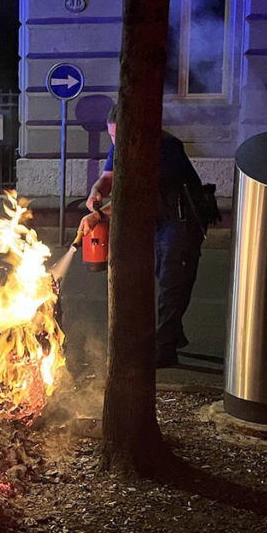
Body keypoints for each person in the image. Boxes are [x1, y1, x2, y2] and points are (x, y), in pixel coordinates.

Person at [78, 106, 205, 368]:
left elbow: (136, 194)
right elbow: (108, 178)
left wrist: (99, 216)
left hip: (181, 216)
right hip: (156, 216)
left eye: (118, 137)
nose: (115, 143)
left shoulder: (164, 147)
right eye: (111, 137)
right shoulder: (120, 144)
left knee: (173, 278)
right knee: (156, 273)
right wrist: (95, 192)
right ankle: (168, 332)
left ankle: (165, 348)